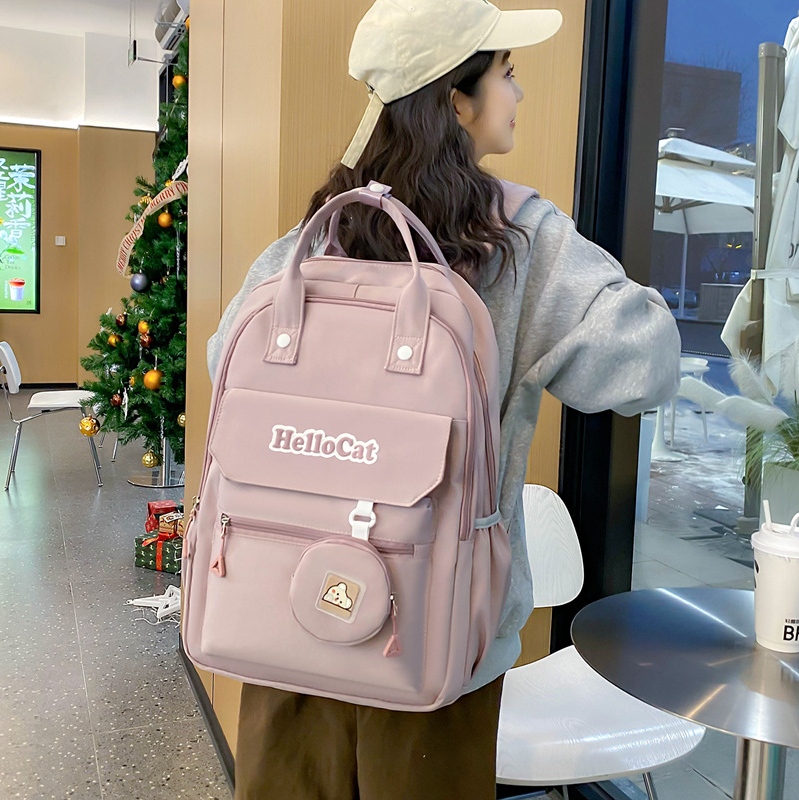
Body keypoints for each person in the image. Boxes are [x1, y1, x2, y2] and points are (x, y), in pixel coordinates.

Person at [207, 1, 681, 797]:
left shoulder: (319, 235)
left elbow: (226, 359)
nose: (518, 93)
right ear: (457, 100)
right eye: (508, 73)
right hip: (434, 640)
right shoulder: (521, 239)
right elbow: (644, 366)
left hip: (282, 617)